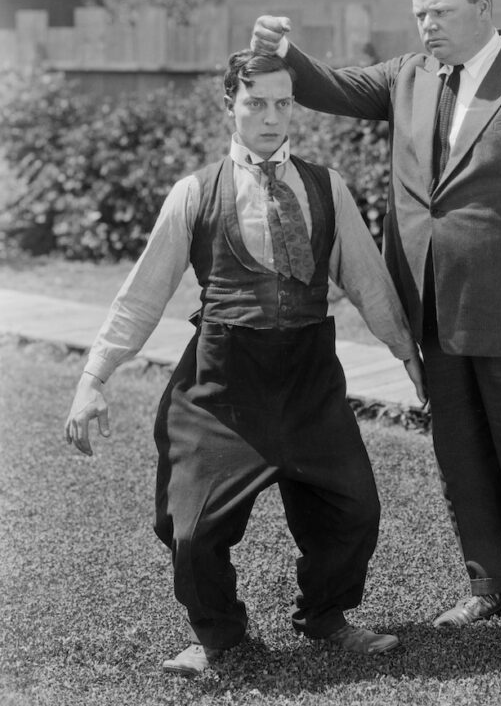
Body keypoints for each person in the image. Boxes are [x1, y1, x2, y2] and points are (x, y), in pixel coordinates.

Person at [251, 0, 501, 673]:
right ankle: (490, 586)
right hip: (429, 307)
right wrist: (280, 53)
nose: (426, 26)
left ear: (483, 7)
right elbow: (325, 87)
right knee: (460, 457)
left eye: (441, 13)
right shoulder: (407, 76)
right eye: (419, 14)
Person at [64, 50, 425, 677]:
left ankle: (327, 618)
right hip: (224, 383)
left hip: (309, 377)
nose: (270, 116)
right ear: (229, 104)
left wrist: (408, 357)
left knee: (353, 511)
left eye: (283, 102)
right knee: (192, 531)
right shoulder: (195, 192)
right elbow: (143, 293)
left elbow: (369, 281)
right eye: (255, 102)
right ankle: (220, 638)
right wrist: (93, 379)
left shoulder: (326, 185)